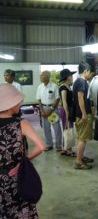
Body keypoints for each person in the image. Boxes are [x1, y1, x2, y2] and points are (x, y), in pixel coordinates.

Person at [0, 84, 45, 218]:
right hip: (15, 177)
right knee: (20, 210)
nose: (20, 103)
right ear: (9, 104)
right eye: (17, 101)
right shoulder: (21, 123)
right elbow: (41, 147)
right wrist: (24, 161)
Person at [72, 62, 94, 170]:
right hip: (82, 115)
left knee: (81, 137)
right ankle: (78, 162)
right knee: (82, 139)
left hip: (79, 114)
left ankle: (80, 157)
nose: (90, 75)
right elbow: (80, 98)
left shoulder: (78, 81)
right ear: (85, 71)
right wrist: (84, 114)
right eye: (89, 72)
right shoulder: (81, 81)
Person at [36, 70, 62, 151]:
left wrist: (51, 109)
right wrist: (41, 111)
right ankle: (49, 144)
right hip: (43, 109)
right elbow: (38, 100)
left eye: (42, 75)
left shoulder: (54, 86)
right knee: (46, 128)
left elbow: (57, 99)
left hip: (52, 110)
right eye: (40, 75)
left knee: (56, 128)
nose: (41, 77)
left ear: (48, 76)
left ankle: (59, 145)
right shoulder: (40, 87)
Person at [59, 68, 76, 157]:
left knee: (68, 129)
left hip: (69, 109)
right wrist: (67, 113)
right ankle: (67, 150)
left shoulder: (68, 86)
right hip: (66, 110)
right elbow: (64, 101)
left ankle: (65, 148)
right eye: (70, 75)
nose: (72, 77)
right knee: (67, 129)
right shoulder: (63, 87)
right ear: (67, 77)